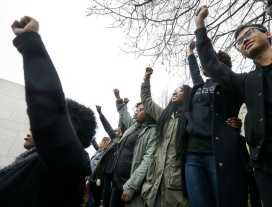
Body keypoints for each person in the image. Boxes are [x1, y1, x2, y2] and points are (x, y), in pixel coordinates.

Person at [194, 5, 272, 207]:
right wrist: (199, 26)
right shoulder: (245, 82)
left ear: (268, 33)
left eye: (249, 33)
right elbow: (211, 65)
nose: (244, 39)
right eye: (239, 41)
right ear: (242, 53)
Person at [0, 16, 97, 206]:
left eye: (37, 125)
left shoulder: (69, 165)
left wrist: (31, 44)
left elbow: (49, 112)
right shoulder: (32, 159)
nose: (32, 129)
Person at [185, 41, 260, 207]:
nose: (204, 64)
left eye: (208, 61)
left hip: (217, 152)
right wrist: (190, 53)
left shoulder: (232, 84)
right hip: (193, 153)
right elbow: (195, 72)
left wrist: (240, 123)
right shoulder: (199, 87)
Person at [141, 67, 190, 207]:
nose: (175, 92)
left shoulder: (190, 120)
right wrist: (146, 79)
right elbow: (147, 102)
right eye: (175, 90)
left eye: (180, 90)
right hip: (154, 188)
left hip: (175, 192)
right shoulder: (164, 116)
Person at [110, 102, 156, 207]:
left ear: (149, 112)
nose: (137, 112)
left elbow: (147, 161)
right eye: (136, 109)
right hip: (116, 182)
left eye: (141, 110)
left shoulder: (152, 132)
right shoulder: (133, 126)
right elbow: (124, 115)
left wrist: (131, 186)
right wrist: (118, 100)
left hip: (128, 186)